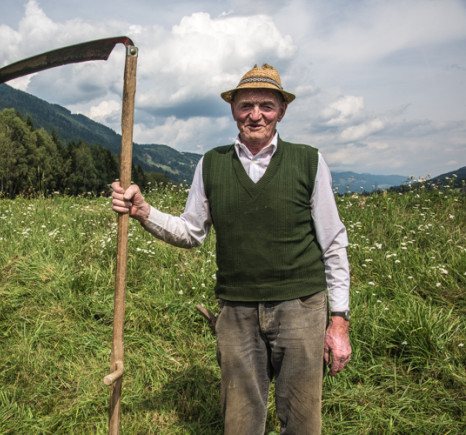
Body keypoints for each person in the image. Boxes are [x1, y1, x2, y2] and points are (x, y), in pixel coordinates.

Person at [111, 63, 352, 434]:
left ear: (281, 111)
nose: (255, 115)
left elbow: (333, 242)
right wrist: (144, 211)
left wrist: (338, 321)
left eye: (266, 106)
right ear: (233, 109)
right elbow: (190, 232)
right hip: (236, 312)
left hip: (301, 309)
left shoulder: (309, 161)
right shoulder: (212, 164)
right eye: (246, 106)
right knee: (239, 422)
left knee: (304, 422)